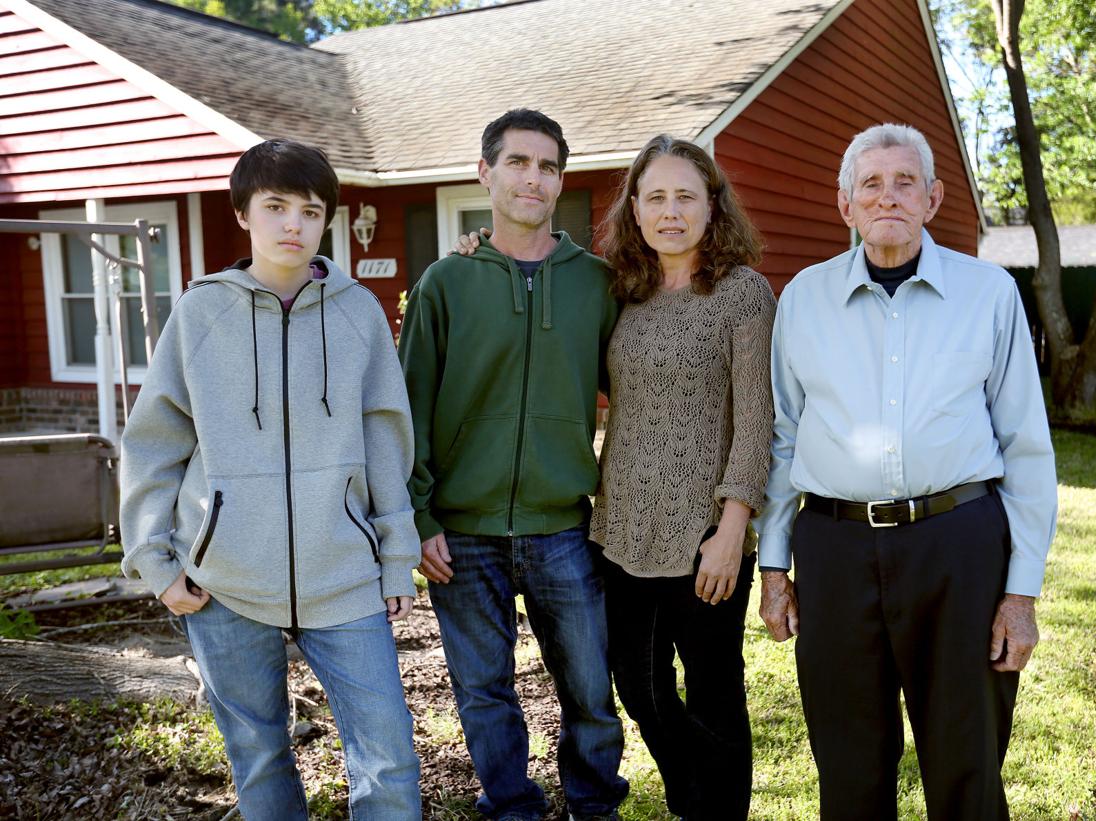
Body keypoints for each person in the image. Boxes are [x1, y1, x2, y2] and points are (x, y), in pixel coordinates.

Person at [455, 134, 775, 821]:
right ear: (634, 208)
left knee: (715, 690)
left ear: (711, 205)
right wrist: (483, 253)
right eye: (654, 197)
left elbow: (755, 422)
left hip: (706, 534)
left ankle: (713, 811)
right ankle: (701, 796)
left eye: (685, 196)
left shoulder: (743, 293)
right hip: (622, 525)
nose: (669, 211)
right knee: (638, 685)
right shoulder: (617, 288)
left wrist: (733, 526)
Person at [755, 123, 1058, 821]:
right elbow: (783, 436)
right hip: (833, 548)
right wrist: (774, 568)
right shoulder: (803, 298)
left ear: (933, 197)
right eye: (871, 183)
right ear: (845, 205)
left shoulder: (988, 295)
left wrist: (1021, 592)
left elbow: (1027, 446)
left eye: (904, 182)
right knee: (848, 761)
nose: (887, 196)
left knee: (967, 756)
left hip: (959, 544)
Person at [119, 139, 422, 820]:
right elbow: (155, 440)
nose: (293, 224)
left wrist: (398, 557)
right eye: (276, 206)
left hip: (344, 575)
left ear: (326, 222)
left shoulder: (358, 313)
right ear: (243, 214)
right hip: (225, 582)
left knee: (390, 757)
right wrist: (156, 559)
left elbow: (385, 441)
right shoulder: (201, 313)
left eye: (310, 211)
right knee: (257, 755)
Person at [398, 109, 627, 821]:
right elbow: (409, 409)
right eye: (519, 162)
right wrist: (421, 515)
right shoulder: (446, 282)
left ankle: (594, 802)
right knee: (482, 688)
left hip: (563, 525)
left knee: (590, 685)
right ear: (485, 173)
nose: (534, 178)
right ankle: (511, 803)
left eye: (549, 166)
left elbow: (637, 391)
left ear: (560, 180)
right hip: (461, 533)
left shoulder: (596, 283)